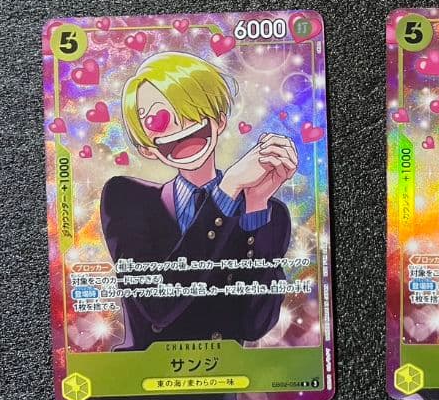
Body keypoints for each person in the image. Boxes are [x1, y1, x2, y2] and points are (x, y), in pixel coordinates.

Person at [101, 52, 296, 354]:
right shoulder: (126, 197)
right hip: (143, 375)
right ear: (147, 148)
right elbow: (157, 304)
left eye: (191, 110)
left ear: (219, 121)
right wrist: (227, 189)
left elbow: (254, 325)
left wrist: (255, 205)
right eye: (158, 119)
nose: (179, 126)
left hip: (221, 376)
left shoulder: (269, 213)